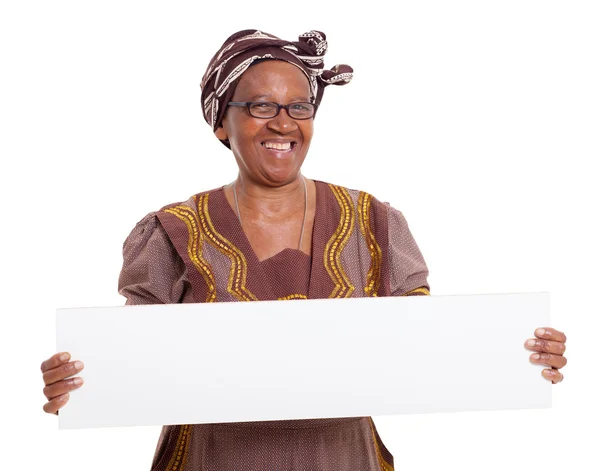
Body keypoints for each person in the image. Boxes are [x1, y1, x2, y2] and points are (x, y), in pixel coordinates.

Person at [40, 29, 568, 470]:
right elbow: (132, 359)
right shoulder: (174, 230)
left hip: (343, 458)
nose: (284, 122)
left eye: (299, 105)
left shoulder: (374, 224)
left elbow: (427, 349)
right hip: (214, 461)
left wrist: (515, 352)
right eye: (261, 105)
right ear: (221, 120)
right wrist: (79, 382)